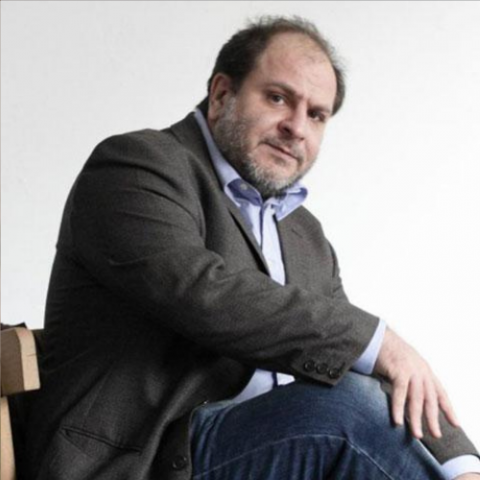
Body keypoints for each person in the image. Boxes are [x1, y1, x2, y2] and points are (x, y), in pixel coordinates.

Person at [23, 15, 479, 480]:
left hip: (261, 456)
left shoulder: (305, 235)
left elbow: (360, 364)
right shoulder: (137, 167)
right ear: (222, 94)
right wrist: (378, 340)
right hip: (142, 462)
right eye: (278, 98)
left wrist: (460, 464)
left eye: (316, 115)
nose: (297, 127)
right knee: (348, 411)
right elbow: (203, 294)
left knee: (368, 398)